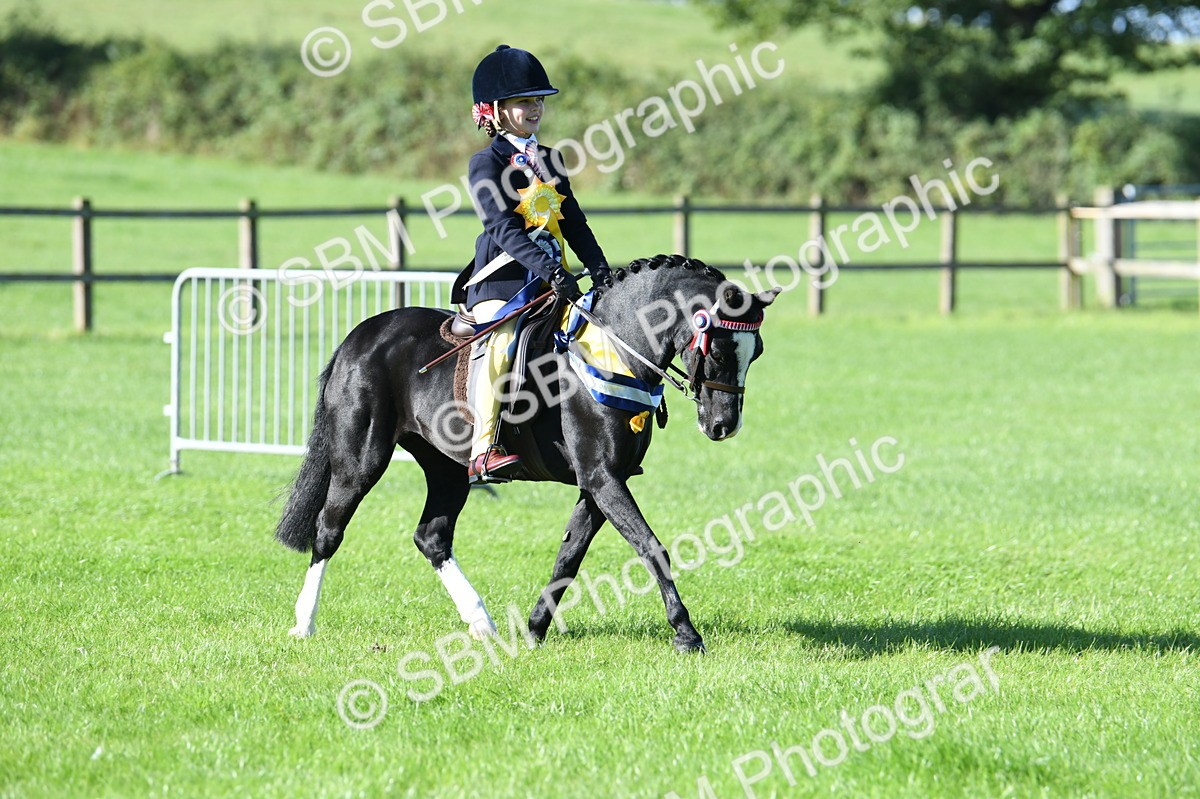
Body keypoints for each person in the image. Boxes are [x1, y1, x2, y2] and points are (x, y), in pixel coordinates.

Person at [454, 44, 611, 484]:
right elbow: (502, 229)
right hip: (502, 285)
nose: (535, 108)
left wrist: (599, 268)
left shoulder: (551, 159)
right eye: (525, 101)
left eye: (539, 99)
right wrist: (552, 270)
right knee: (502, 344)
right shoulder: (485, 163)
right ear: (498, 111)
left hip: (554, 280)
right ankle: (484, 450)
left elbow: (573, 220)